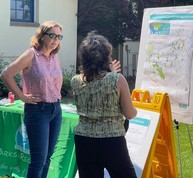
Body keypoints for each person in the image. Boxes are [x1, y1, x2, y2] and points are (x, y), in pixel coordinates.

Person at [0, 21, 64, 178]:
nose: (56, 39)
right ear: (42, 36)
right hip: (38, 111)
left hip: (56, 110)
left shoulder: (55, 57)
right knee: (38, 160)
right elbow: (5, 74)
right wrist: (21, 96)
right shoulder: (31, 55)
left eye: (59, 36)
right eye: (52, 35)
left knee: (47, 159)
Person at [71, 31, 137, 178]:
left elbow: (95, 84)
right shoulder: (118, 79)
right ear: (106, 56)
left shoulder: (75, 80)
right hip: (112, 140)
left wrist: (110, 73)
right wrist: (136, 109)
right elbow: (129, 114)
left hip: (84, 139)